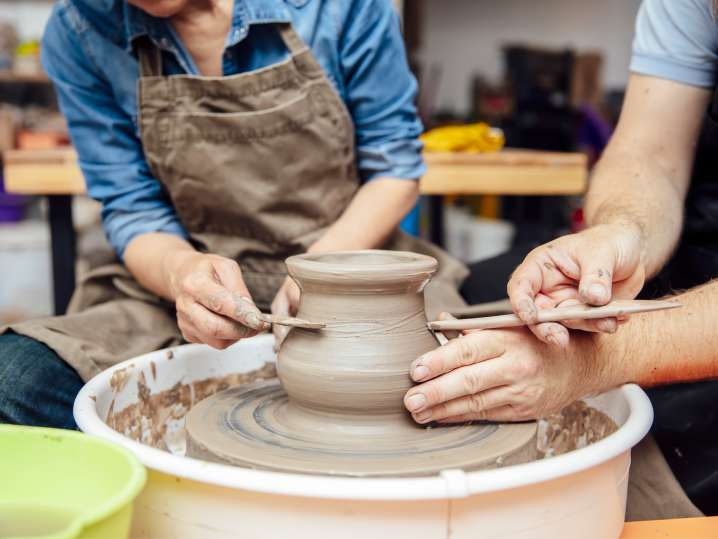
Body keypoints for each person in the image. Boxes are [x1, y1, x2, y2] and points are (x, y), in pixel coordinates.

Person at [0, 0, 467, 429]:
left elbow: (395, 168)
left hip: (353, 271)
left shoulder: (338, 7)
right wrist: (181, 273)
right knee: (14, 379)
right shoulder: (81, 27)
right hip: (180, 290)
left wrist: (322, 272)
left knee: (474, 385)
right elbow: (133, 209)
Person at [404, 0, 718, 518]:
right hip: (693, 247)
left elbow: (605, 361)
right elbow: (650, 153)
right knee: (475, 300)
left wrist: (597, 362)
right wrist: (621, 233)